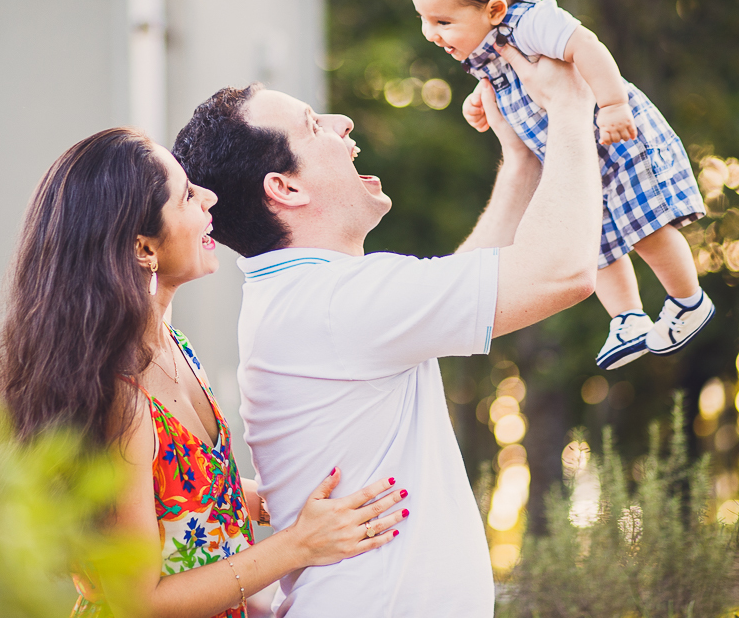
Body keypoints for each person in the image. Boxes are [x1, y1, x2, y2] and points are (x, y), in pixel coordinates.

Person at [171, 50, 602, 616]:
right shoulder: (334, 304)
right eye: (312, 124)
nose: (341, 124)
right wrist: (572, 106)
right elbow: (562, 272)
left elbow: (467, 287)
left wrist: (519, 160)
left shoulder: (315, 296)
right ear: (286, 189)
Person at [0, 128, 409, 618]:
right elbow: (139, 600)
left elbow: (191, 499)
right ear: (144, 248)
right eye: (186, 194)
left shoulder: (173, 347)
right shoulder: (122, 400)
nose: (209, 197)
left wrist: (276, 498)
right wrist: (299, 543)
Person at [408, 0, 714, 370]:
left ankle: (688, 300)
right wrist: (479, 98)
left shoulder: (531, 23)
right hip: (578, 161)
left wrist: (612, 105)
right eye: (425, 20)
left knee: (649, 230)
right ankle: (628, 317)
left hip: (617, 143)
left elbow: (586, 45)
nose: (431, 34)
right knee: (594, 240)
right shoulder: (488, 42)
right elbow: (505, 74)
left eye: (443, 22)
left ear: (495, 9)